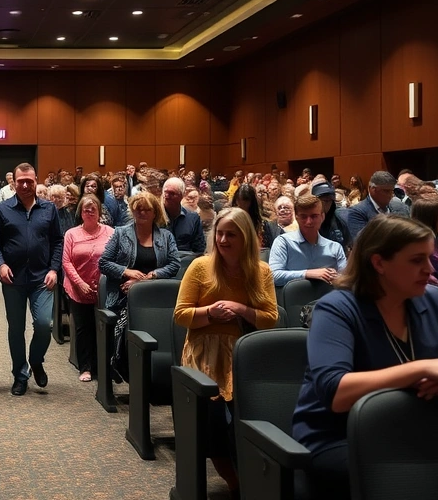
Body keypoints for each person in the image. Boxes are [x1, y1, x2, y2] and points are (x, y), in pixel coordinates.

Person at [292, 215, 438, 500]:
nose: (430, 269)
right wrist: (421, 370)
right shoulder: (337, 308)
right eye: (416, 260)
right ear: (379, 262)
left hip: (423, 428)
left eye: (429, 258)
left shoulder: (436, 300)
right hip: (342, 438)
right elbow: (337, 392)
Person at [174, 208, 278, 495]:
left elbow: (270, 318)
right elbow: (182, 315)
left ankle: (252, 479)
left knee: (244, 424)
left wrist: (241, 310)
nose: (222, 239)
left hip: (243, 354)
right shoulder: (200, 267)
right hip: (204, 353)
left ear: (245, 237)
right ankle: (238, 484)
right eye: (219, 233)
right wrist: (211, 312)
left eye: (231, 234)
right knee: (217, 425)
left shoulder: (261, 271)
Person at [0, 163, 63, 396]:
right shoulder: (2, 209)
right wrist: (0, 265)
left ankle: (36, 360)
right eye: (20, 181)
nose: (24, 184)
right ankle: (20, 375)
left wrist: (54, 269)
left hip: (43, 277)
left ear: (35, 180)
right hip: (13, 279)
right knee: (16, 329)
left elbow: (58, 242)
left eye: (29, 181)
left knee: (44, 324)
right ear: (14, 182)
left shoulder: (49, 209)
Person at [100, 191, 182, 379]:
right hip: (122, 296)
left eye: (146, 209)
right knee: (129, 325)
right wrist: (126, 271)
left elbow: (174, 264)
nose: (142, 213)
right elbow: (104, 263)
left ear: (155, 213)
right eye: (138, 209)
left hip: (156, 296)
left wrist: (148, 277)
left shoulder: (166, 237)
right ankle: (125, 368)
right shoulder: (120, 233)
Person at [63, 194, 114, 382]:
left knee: (104, 327)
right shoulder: (71, 234)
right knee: (84, 329)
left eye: (93, 209)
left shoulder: (110, 232)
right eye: (86, 209)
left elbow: (115, 258)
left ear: (100, 212)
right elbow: (66, 262)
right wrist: (80, 284)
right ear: (80, 213)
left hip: (104, 289)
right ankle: (85, 367)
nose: (90, 212)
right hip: (78, 289)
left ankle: (104, 366)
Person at [268, 194, 347, 287]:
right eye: (303, 217)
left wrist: (337, 277)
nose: (308, 222)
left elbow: (346, 279)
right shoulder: (283, 242)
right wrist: (308, 274)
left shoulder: (335, 247)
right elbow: (273, 276)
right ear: (296, 218)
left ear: (322, 217)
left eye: (314, 216)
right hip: (296, 300)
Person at [346, 171, 410, 243]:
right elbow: (362, 244)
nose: (391, 195)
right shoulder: (357, 212)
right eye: (386, 191)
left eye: (392, 191)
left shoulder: (400, 207)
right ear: (372, 189)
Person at [231, 183, 279, 249]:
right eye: (240, 208)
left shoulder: (263, 226)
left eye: (247, 210)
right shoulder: (230, 221)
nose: (244, 214)